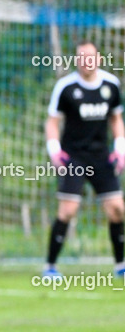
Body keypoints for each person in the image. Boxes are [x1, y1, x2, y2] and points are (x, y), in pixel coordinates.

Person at [42, 40, 124, 279]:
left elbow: (116, 119)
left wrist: (120, 148)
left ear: (98, 59)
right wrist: (54, 150)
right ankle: (50, 266)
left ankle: (121, 265)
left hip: (101, 157)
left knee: (117, 209)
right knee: (68, 210)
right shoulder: (66, 87)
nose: (86, 61)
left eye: (90, 57)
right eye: (81, 57)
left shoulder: (111, 85)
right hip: (74, 158)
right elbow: (52, 122)